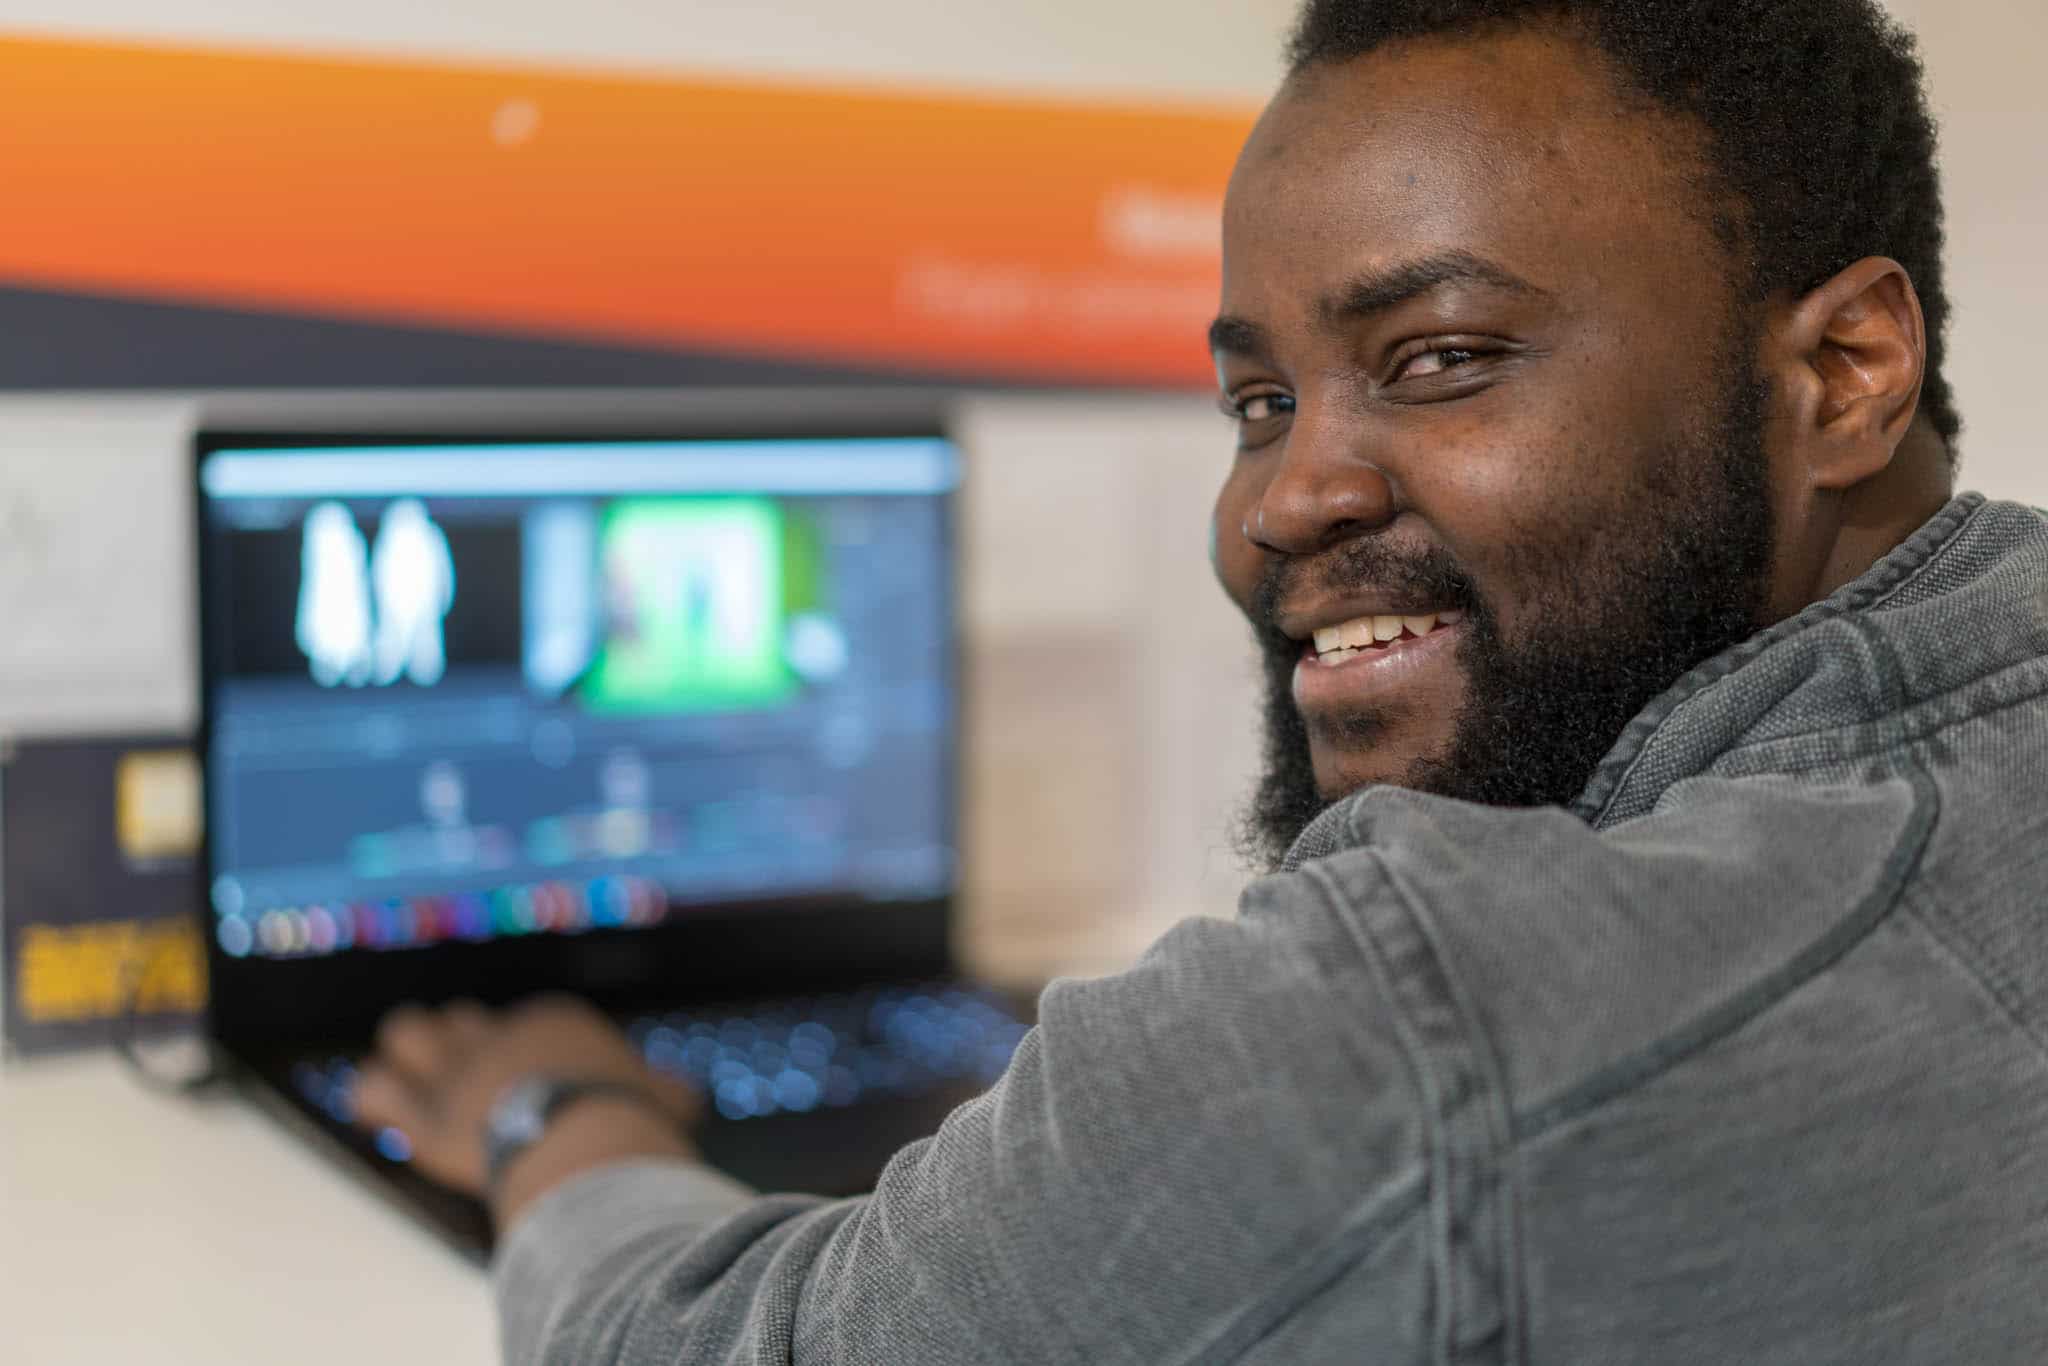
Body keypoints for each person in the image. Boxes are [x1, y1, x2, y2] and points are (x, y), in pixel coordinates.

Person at [356, 1, 2048, 1360]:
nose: (1283, 500)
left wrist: (554, 1116)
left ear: (1847, 369)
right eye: (1261, 402)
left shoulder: (1408, 1018)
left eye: (1441, 358)